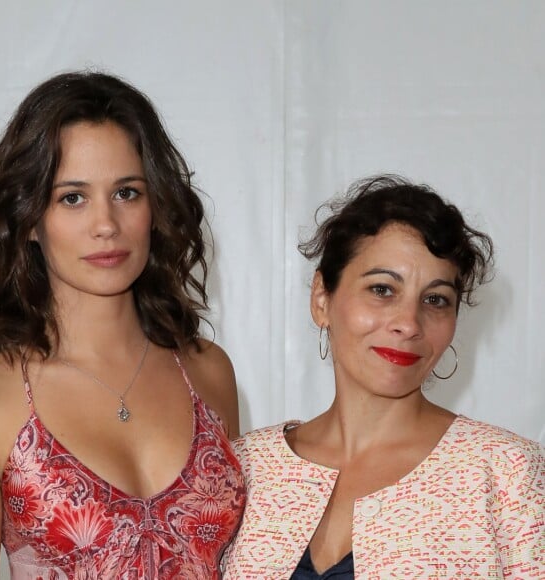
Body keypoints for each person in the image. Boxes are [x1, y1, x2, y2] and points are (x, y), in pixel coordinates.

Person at [0, 71, 245, 578]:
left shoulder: (208, 373)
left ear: (156, 207)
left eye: (127, 193)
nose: (106, 225)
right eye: (72, 197)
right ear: (29, 218)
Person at [222, 175, 544, 579]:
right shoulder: (244, 467)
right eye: (382, 290)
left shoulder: (504, 472)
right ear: (322, 298)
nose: (409, 323)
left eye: (435, 299)